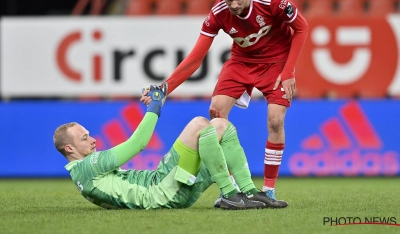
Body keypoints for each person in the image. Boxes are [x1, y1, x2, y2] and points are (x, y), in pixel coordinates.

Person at [154, 0, 309, 208]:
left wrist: (288, 71)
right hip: (242, 61)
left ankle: (268, 190)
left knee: (276, 121)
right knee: (215, 113)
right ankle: (233, 190)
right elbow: (195, 58)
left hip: (277, 62)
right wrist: (165, 88)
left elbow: (302, 27)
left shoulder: (272, 0)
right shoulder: (217, 13)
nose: (234, 5)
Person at [53, 85, 284, 210]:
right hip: (163, 190)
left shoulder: (83, 176)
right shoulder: (88, 167)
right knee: (199, 124)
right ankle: (231, 194)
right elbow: (138, 144)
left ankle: (249, 192)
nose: (93, 140)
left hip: (169, 191)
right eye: (84, 138)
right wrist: (155, 106)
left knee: (220, 126)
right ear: (69, 149)